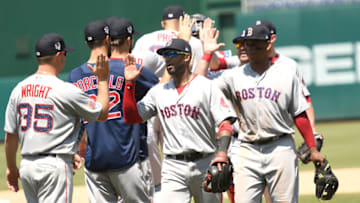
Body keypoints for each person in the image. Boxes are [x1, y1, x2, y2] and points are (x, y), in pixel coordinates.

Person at [198, 23, 325, 202]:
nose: (249, 47)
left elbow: (300, 115)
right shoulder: (233, 75)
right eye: (246, 43)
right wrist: (207, 53)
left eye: (254, 43)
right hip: (247, 148)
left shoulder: (286, 74)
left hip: (280, 146)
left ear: (267, 45)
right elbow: (198, 85)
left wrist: (312, 148)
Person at [122, 38, 237, 203]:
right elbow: (132, 117)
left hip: (204, 162)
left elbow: (225, 122)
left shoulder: (206, 86)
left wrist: (222, 153)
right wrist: (129, 84)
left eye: (172, 54)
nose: (167, 58)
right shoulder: (158, 92)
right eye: (165, 55)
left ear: (186, 57)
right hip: (173, 166)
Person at [4, 33, 110, 203]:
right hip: (54, 168)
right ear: (59, 55)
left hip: (27, 166)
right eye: (65, 54)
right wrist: (103, 79)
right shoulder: (65, 90)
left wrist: (11, 168)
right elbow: (102, 113)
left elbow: (11, 136)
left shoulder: (19, 89)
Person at [67, 19, 158, 202]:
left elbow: (72, 119)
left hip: (94, 160)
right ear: (108, 40)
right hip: (129, 158)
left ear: (86, 43)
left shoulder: (75, 76)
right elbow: (163, 91)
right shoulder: (128, 68)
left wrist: (75, 147)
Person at [133, 5, 203, 76]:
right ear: (183, 22)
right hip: (181, 84)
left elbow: (134, 66)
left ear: (163, 24)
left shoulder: (144, 39)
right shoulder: (192, 41)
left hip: (149, 84)